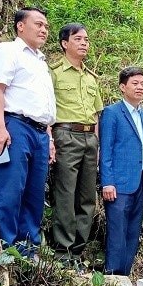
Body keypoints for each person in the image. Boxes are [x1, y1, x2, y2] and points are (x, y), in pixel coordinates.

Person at [0, 7, 56, 257]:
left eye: (46, 27)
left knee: (35, 192)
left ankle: (29, 248)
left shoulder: (40, 61)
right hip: (15, 126)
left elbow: (44, 104)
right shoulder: (8, 50)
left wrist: (48, 137)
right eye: (38, 24)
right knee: (11, 188)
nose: (44, 30)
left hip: (40, 132)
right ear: (20, 26)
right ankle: (6, 247)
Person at [49, 23, 103, 269]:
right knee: (65, 194)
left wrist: (98, 143)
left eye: (87, 39)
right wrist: (51, 139)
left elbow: (96, 114)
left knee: (86, 197)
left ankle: (77, 253)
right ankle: (62, 252)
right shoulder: (54, 73)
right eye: (78, 39)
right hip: (65, 134)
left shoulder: (92, 78)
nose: (84, 43)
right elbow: (47, 110)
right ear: (64, 43)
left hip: (90, 138)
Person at [99, 67, 143, 286]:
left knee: (132, 231)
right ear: (123, 87)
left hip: (140, 181)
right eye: (135, 83)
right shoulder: (112, 113)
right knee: (117, 230)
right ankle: (112, 277)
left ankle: (126, 276)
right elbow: (107, 149)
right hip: (118, 182)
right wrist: (107, 181)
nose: (140, 87)